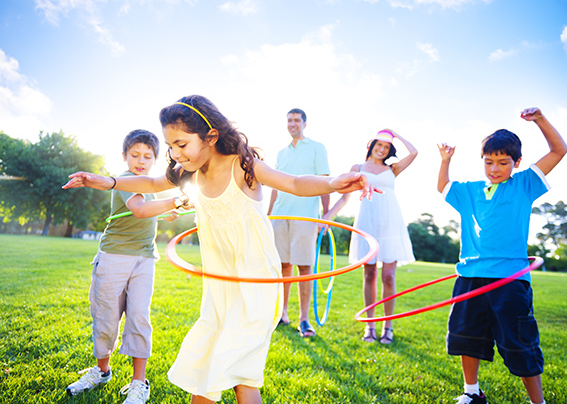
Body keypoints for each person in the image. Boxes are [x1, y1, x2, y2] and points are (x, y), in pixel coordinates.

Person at [63, 95, 377, 404]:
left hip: (255, 284)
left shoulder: (243, 166)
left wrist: (334, 182)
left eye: (182, 145)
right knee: (217, 373)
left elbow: (294, 183)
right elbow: (152, 184)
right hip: (219, 288)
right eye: (170, 146)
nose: (175, 153)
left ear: (210, 136)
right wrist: (105, 181)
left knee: (231, 374)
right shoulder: (188, 173)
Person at [437, 107, 567, 404]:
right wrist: (445, 161)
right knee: (466, 337)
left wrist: (540, 120)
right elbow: (443, 187)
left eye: (503, 163)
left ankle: (539, 402)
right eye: (489, 162)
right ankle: (472, 393)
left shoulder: (524, 185)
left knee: (519, 342)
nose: (495, 169)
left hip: (509, 279)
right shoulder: (470, 191)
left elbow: (559, 150)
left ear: (516, 162)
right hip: (470, 275)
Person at [66, 129, 182, 404]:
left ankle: (138, 383)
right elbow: (139, 210)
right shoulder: (127, 180)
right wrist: (180, 199)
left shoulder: (150, 186)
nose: (141, 161)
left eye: (147, 156)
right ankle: (101, 370)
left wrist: (164, 213)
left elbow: (147, 211)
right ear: (124, 156)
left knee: (139, 317)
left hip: (144, 258)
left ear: (155, 159)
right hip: (114, 257)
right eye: (135, 155)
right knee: (106, 318)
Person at [323, 129, 417, 344]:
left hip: (390, 223)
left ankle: (388, 326)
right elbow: (343, 198)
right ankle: (370, 325)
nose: (382, 149)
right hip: (368, 222)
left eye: (387, 147)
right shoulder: (357, 168)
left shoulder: (392, 169)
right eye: (379, 145)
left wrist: (396, 135)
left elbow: (414, 153)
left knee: (389, 277)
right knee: (370, 275)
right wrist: (328, 217)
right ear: (371, 145)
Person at [267, 108, 330, 338]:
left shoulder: (317, 148)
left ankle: (304, 319)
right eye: (289, 120)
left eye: (296, 120)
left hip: (306, 215)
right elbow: (274, 185)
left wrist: (326, 215)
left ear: (304, 123)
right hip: (280, 215)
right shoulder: (282, 153)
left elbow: (325, 182)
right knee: (283, 266)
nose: (293, 124)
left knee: (304, 267)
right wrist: (268, 214)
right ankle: (282, 314)